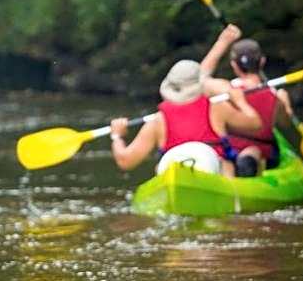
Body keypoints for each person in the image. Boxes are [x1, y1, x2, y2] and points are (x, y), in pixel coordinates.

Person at [109, 26, 262, 177]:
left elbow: (125, 160)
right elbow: (256, 125)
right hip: (217, 175)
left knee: (159, 168)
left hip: (175, 175)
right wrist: (240, 101)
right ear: (199, 86)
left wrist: (117, 136)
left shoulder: (158, 121)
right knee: (234, 162)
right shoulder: (216, 108)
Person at [200, 25, 294, 176]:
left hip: (232, 156)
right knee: (254, 152)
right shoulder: (276, 96)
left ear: (234, 65)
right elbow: (285, 124)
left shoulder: (226, 90)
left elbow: (200, 78)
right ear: (262, 62)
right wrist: (286, 105)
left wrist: (223, 41)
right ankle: (249, 165)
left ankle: (243, 167)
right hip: (264, 155)